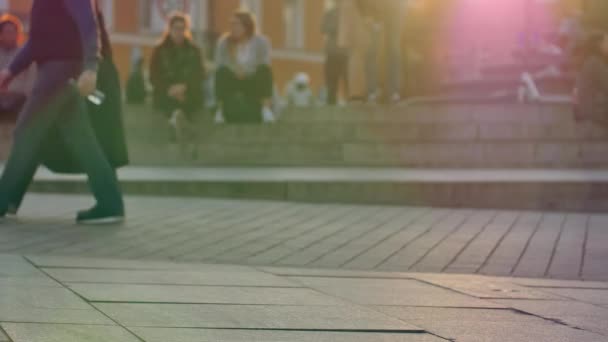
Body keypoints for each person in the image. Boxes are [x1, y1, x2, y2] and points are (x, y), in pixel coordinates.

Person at [0, 0, 124, 224]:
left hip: (58, 71)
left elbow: (88, 24)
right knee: (82, 140)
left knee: (26, 132)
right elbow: (37, 42)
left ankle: (3, 200)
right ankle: (110, 202)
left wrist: (91, 66)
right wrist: (10, 71)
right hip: (60, 70)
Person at [150, 12, 204, 138]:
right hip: (166, 92)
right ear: (170, 29)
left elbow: (199, 74)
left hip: (188, 92)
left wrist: (184, 87)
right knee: (168, 102)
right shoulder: (160, 50)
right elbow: (154, 76)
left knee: (190, 101)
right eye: (176, 28)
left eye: (182, 28)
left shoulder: (194, 50)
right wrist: (169, 89)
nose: (179, 32)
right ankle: (177, 122)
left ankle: (179, 123)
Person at [215, 11, 275, 124]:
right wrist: (235, 70)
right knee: (220, 72)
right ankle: (220, 110)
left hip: (252, 79)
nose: (233, 28)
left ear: (247, 26)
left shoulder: (262, 42)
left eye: (236, 24)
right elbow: (220, 62)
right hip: (233, 78)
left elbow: (264, 61)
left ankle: (265, 109)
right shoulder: (224, 43)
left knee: (265, 71)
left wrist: (246, 71)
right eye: (231, 24)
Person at [0, 14, 34, 122]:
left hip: (18, 100)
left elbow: (29, 85)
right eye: (7, 32)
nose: (11, 35)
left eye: (13, 32)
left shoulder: (25, 56)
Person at [574, 32, 608, 125]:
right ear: (599, 45)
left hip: (589, 108)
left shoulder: (591, 60)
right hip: (594, 112)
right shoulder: (595, 63)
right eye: (606, 42)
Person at [322, 0, 348, 105]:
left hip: (345, 52)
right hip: (332, 52)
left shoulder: (348, 14)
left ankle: (349, 101)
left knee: (347, 79)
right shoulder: (330, 13)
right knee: (331, 79)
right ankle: (331, 101)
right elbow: (323, 28)